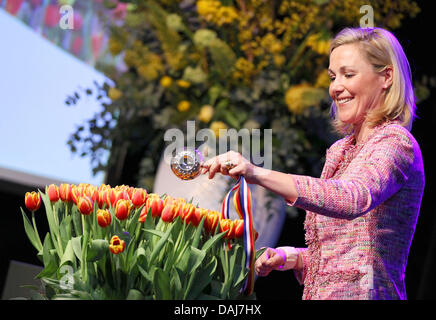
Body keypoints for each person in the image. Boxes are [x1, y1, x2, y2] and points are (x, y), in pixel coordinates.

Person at [199, 27, 425, 300]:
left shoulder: (395, 142)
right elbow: (346, 256)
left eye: (348, 74)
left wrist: (255, 172)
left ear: (386, 77)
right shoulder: (340, 151)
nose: (335, 87)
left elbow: (352, 199)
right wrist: (293, 257)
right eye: (332, 76)